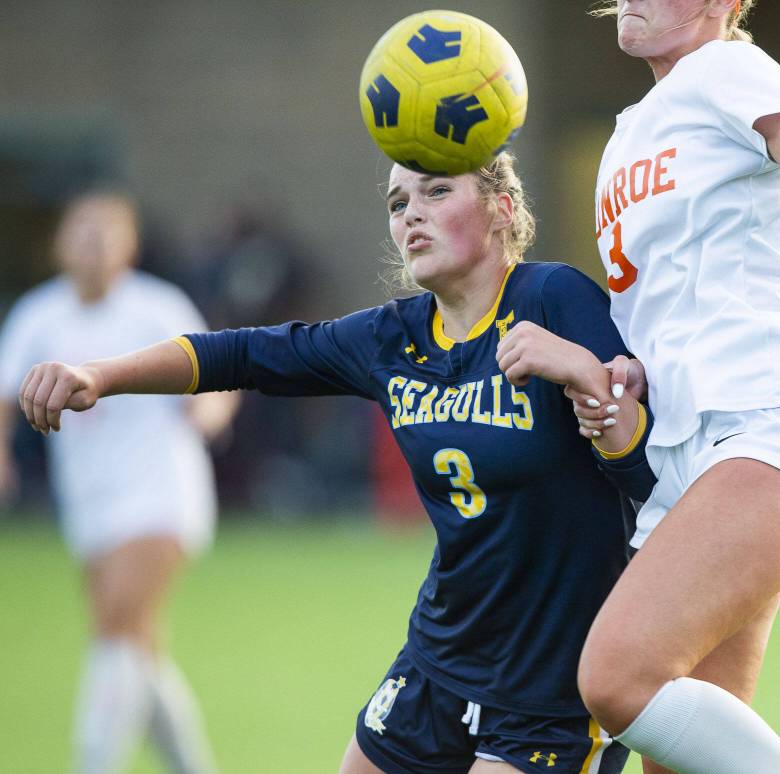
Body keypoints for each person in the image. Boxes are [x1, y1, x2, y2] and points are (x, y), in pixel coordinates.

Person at [17, 155, 659, 774]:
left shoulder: (554, 298)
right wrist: (101, 376)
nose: (412, 214)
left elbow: (647, 477)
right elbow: (241, 356)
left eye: (437, 191)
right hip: (439, 662)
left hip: (550, 684)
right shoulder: (392, 337)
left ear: (502, 209)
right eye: (398, 203)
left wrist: (584, 375)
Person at [550, 2, 780, 771]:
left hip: (766, 425)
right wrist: (630, 369)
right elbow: (658, 301)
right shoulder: (629, 131)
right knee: (679, 758)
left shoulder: (726, 67)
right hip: (684, 461)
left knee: (615, 677)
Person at [0, 191, 239, 774]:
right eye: (83, 231)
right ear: (60, 243)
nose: (94, 244)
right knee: (137, 645)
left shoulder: (157, 308)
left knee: (116, 629)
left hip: (161, 494)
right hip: (91, 506)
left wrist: (209, 412)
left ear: (129, 246)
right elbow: (5, 395)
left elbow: (220, 373)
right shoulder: (40, 314)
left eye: (107, 233)